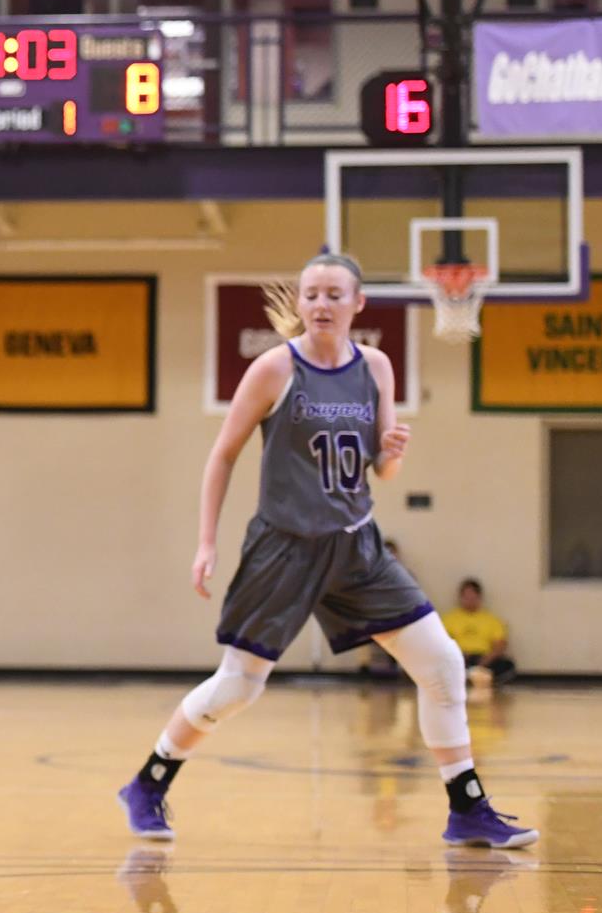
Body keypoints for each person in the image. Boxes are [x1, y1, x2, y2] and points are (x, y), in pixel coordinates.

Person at [116, 253, 536, 850]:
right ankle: (148, 782)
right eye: (311, 293)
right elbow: (224, 454)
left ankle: (467, 808)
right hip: (283, 548)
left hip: (356, 547)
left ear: (357, 305)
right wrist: (206, 541)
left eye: (334, 294)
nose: (320, 304)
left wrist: (394, 449)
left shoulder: (378, 368)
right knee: (239, 687)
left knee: (441, 664)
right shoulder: (273, 369)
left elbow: (384, 470)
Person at [443, 579, 517, 684]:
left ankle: (475, 677)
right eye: (466, 597)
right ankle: (467, 676)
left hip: (483, 658)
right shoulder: (449, 619)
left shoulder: (491, 619)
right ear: (461, 598)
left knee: (508, 665)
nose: (469, 600)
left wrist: (486, 660)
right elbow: (442, 642)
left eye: (472, 597)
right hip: (460, 657)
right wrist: (458, 655)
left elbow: (500, 644)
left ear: (479, 597)